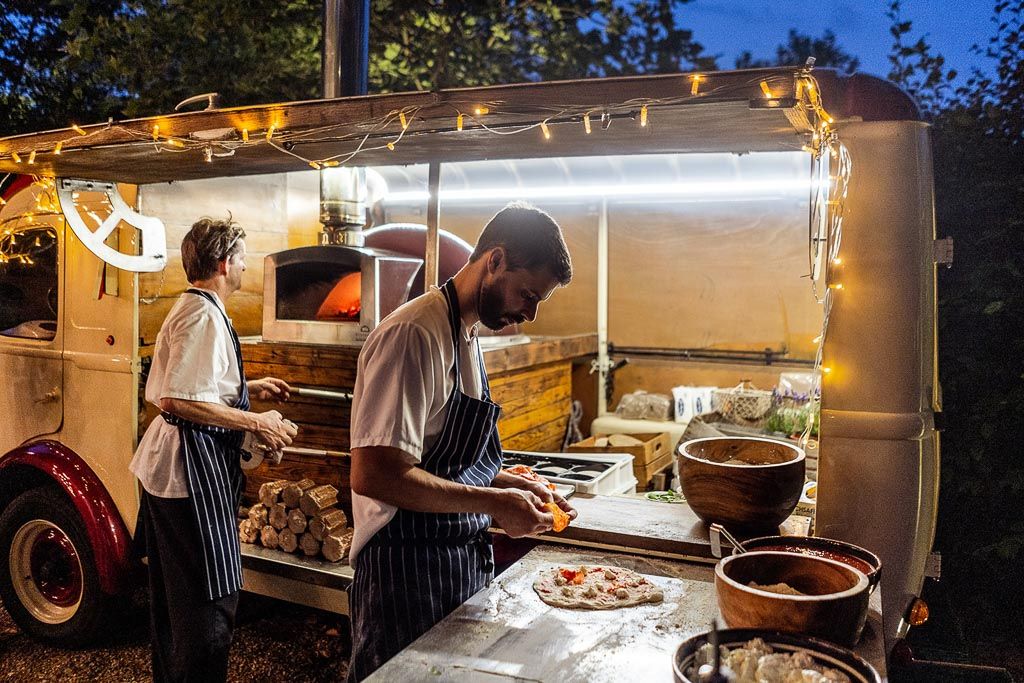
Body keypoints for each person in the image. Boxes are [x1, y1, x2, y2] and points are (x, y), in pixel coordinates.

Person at [347, 201, 576, 680]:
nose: (529, 314)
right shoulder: (414, 334)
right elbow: (376, 474)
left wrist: (513, 484)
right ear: (494, 261)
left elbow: (448, 460)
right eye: (527, 294)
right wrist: (494, 503)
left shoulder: (467, 333)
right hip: (404, 573)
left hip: (458, 562)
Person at [130, 217, 297, 682]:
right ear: (225, 263)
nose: (246, 265)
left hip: (176, 472)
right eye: (243, 257)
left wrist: (246, 387)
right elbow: (175, 399)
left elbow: (192, 383)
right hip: (187, 479)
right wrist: (254, 420)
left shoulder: (194, 306)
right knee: (206, 609)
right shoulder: (203, 314)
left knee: (176, 605)